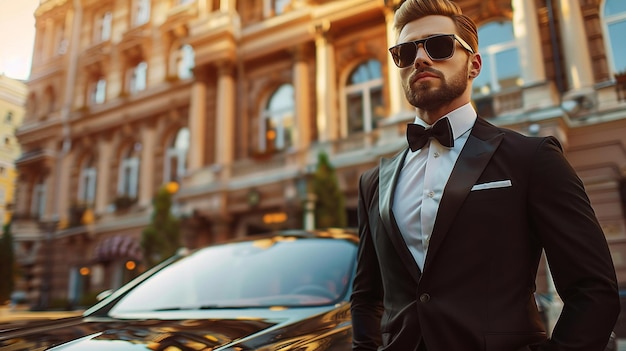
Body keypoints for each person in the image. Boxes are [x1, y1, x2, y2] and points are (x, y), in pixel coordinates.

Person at [349, 0, 620, 350]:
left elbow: (593, 291)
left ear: (474, 64)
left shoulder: (533, 159)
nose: (420, 59)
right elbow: (366, 297)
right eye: (404, 52)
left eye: (439, 46)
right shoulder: (374, 182)